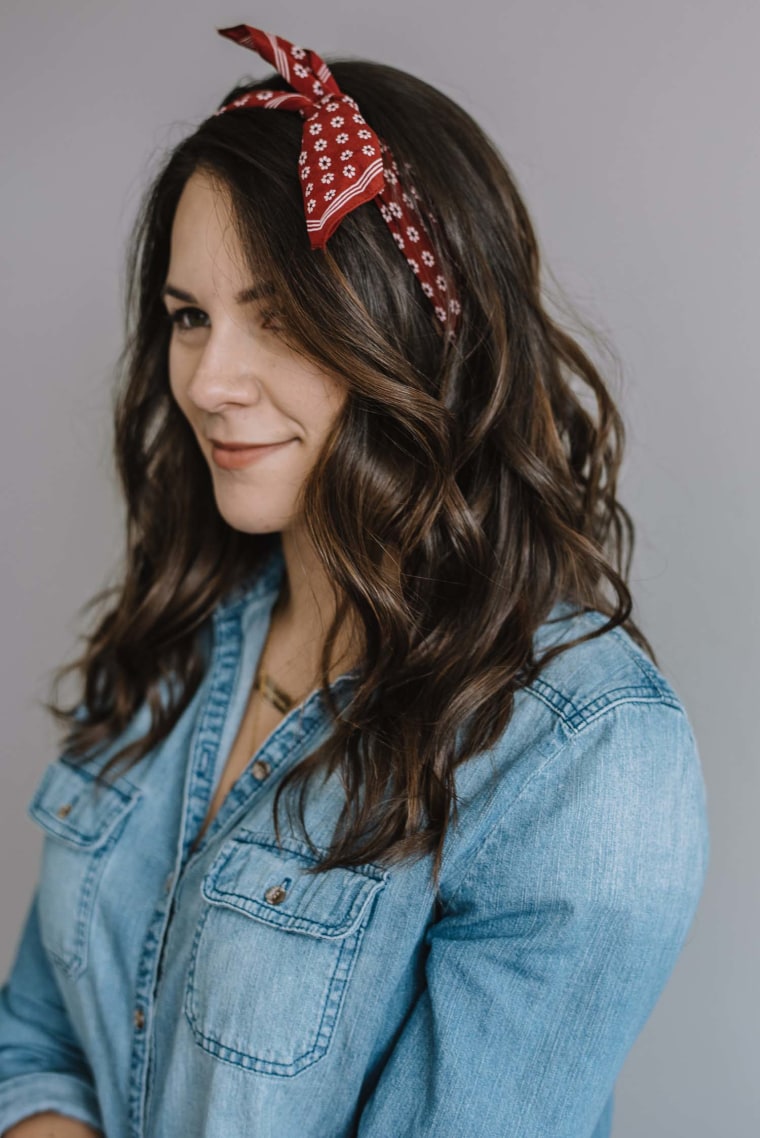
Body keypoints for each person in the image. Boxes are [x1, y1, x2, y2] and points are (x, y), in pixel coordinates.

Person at [0, 23, 709, 1138]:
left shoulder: (580, 753)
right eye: (190, 317)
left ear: (416, 333)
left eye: (279, 316)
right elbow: (36, 1043)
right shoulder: (176, 638)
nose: (210, 380)